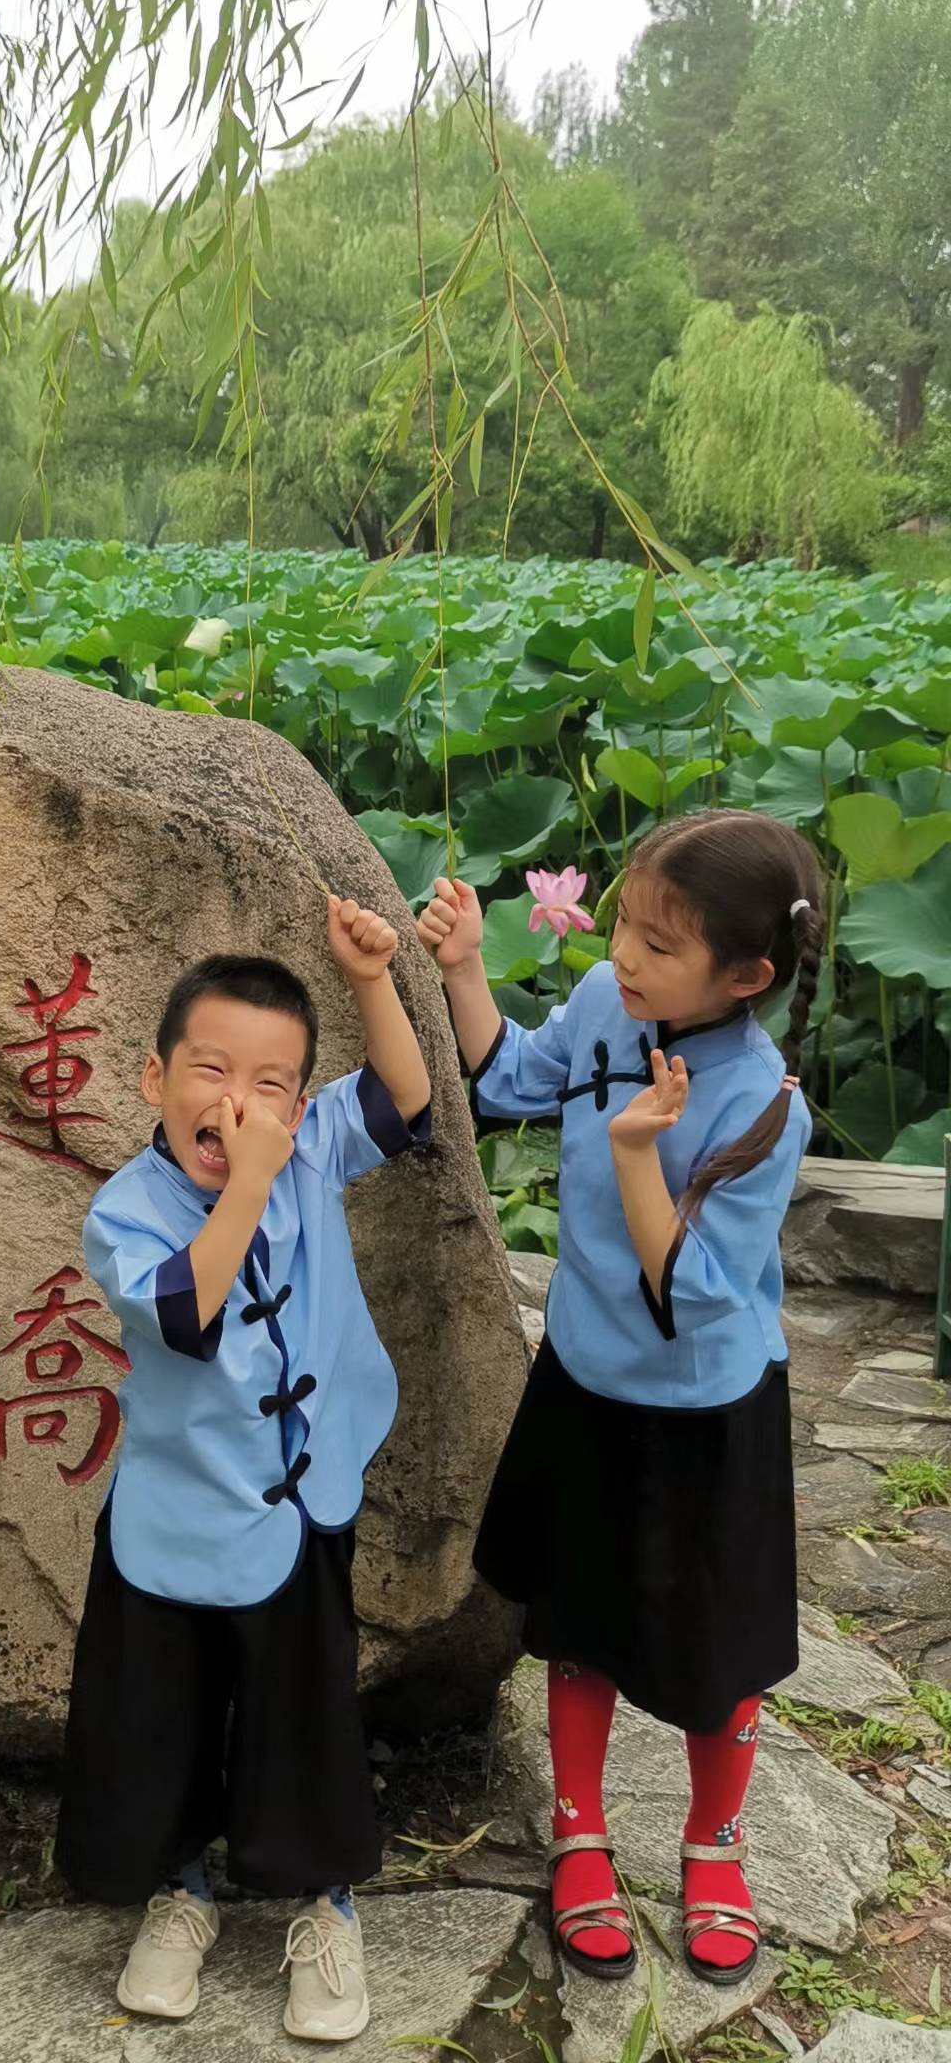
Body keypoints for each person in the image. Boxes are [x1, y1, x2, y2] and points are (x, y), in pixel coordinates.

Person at [418, 810, 822, 1991]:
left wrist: (640, 1154)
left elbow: (692, 1294)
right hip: (587, 1376)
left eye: (657, 943)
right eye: (625, 925)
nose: (624, 956)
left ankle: (714, 1847)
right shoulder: (606, 1002)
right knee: (575, 1616)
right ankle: (580, 1832)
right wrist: (460, 969)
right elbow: (511, 1077)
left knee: (718, 1648)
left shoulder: (761, 1110)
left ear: (743, 977)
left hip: (703, 1407)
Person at [55, 896, 431, 2046]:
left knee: (301, 1700)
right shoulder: (124, 1210)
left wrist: (373, 977)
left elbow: (405, 1099)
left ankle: (321, 1899)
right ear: (150, 1077)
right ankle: (181, 1887)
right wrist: (255, 1181)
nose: (238, 1100)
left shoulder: (308, 1140)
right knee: (160, 1705)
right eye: (207, 1068)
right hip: (175, 1509)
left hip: (305, 1497)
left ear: (297, 1094)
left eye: (273, 1082)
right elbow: (187, 1308)